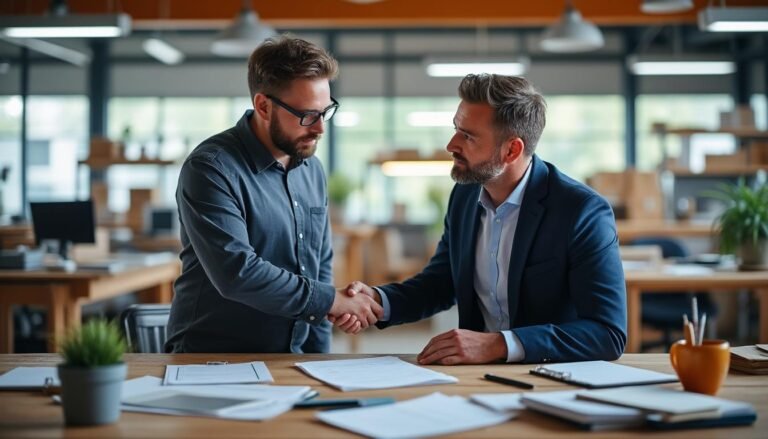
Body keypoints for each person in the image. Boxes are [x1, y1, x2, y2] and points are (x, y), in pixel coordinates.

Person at [333, 74, 626, 365]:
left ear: (512, 150)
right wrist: (377, 301)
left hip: (550, 376)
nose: (451, 144)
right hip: (475, 375)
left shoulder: (581, 211)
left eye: (468, 136)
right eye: (456, 129)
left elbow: (607, 333)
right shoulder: (464, 197)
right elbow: (441, 282)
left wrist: (497, 344)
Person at [166, 36, 382, 353]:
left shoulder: (311, 168)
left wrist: (318, 358)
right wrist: (331, 301)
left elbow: (320, 266)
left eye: (326, 111)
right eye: (307, 115)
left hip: (289, 357)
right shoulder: (210, 168)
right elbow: (238, 272)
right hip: (212, 358)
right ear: (264, 106)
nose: (320, 128)